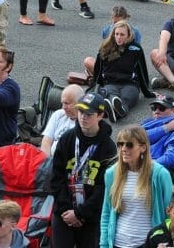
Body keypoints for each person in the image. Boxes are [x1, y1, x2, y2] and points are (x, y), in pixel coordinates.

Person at [49, 93, 116, 248]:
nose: (83, 117)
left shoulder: (109, 148)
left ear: (100, 115)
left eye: (89, 114)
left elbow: (104, 188)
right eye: (80, 112)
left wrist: (80, 214)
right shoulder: (67, 139)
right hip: (64, 213)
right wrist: (68, 211)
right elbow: (56, 177)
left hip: (90, 217)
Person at [99, 125, 173, 248]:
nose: (123, 149)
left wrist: (165, 241)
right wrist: (104, 245)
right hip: (118, 243)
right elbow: (106, 212)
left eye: (129, 145)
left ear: (143, 147)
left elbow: (169, 213)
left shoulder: (160, 174)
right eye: (120, 144)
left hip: (147, 243)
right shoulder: (112, 173)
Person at [90, 21, 148, 121]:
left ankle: (115, 111)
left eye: (122, 34)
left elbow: (142, 71)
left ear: (128, 35)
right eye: (117, 34)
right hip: (110, 83)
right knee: (113, 96)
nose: (119, 37)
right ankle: (116, 109)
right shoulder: (105, 47)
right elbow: (98, 70)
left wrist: (147, 92)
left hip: (130, 84)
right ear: (113, 34)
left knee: (126, 98)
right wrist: (95, 87)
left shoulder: (136, 49)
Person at [40, 84, 84, 156]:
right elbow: (46, 142)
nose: (63, 107)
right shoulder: (58, 114)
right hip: (51, 161)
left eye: (67, 103)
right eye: (62, 103)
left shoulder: (85, 122)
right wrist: (46, 163)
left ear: (79, 103)